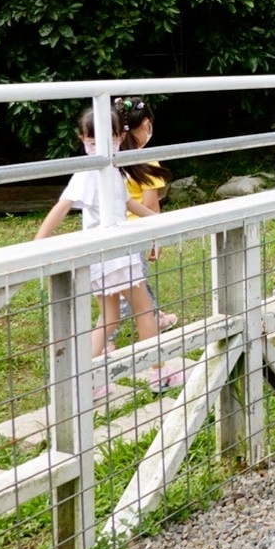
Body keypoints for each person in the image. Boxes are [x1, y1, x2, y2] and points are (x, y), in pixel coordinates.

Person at [34, 107, 161, 378]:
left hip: (102, 257)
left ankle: (86, 379)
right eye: (93, 142)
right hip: (116, 255)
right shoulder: (88, 173)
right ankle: (158, 372)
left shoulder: (112, 171)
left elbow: (126, 204)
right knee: (144, 311)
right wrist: (38, 242)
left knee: (110, 319)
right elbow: (63, 205)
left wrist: (159, 226)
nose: (103, 147)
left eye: (111, 140)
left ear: (120, 137)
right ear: (82, 139)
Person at [112, 97, 177, 336]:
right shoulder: (147, 161)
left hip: (114, 230)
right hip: (137, 233)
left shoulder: (111, 159)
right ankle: (105, 338)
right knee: (128, 288)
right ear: (147, 124)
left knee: (134, 282)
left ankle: (156, 317)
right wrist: (156, 237)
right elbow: (151, 205)